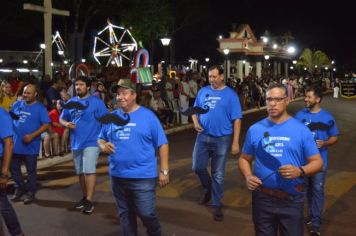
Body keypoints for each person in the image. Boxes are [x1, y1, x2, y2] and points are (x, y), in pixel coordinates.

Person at [238, 83, 323, 236]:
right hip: (262, 198)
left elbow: (318, 162)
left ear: (287, 100)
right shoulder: (255, 129)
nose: (272, 103)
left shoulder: (301, 130)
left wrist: (300, 171)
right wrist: (248, 176)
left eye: (277, 99)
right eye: (269, 99)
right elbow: (244, 158)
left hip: (291, 199)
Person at [98, 79, 169, 236]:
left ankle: (155, 232)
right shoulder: (112, 117)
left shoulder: (148, 116)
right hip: (118, 176)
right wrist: (103, 145)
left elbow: (162, 143)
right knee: (125, 214)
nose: (120, 97)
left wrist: (164, 170)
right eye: (118, 94)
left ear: (134, 95)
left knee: (146, 213)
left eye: (124, 93)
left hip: (143, 177)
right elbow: (100, 138)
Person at [192, 65, 242, 221]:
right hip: (202, 136)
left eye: (214, 76)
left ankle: (216, 203)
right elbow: (195, 110)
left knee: (218, 174)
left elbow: (237, 119)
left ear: (222, 76)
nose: (211, 79)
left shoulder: (231, 95)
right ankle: (208, 188)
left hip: (222, 139)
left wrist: (235, 142)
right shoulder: (203, 91)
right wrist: (195, 122)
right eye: (210, 76)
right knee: (197, 167)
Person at [60, 76, 107, 214]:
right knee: (80, 172)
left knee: (89, 170)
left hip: (92, 141)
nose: (78, 87)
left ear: (87, 87)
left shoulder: (96, 102)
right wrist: (66, 124)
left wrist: (104, 139)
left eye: (81, 84)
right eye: (76, 85)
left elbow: (105, 120)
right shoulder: (71, 102)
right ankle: (85, 197)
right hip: (76, 142)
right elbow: (61, 118)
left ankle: (90, 201)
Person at [295, 85, 339, 235]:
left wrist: (325, 143)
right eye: (305, 97)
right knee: (305, 190)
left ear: (318, 99)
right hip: (303, 162)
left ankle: (316, 224)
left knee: (318, 190)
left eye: (309, 97)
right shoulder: (299, 115)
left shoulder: (327, 117)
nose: (305, 99)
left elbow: (335, 137)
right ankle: (309, 215)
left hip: (320, 162)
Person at [10, 84, 50, 205]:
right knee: (13, 168)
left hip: (31, 145)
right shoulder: (17, 105)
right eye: (24, 92)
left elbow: (46, 125)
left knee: (31, 171)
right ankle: (20, 187)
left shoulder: (40, 108)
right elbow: (10, 118)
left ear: (35, 94)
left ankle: (31, 192)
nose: (25, 95)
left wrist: (32, 136)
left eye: (28, 93)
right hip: (15, 144)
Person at [0, 107, 25, 236]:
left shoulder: (1, 113)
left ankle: (17, 233)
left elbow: (9, 143)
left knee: (2, 203)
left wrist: (4, 173)